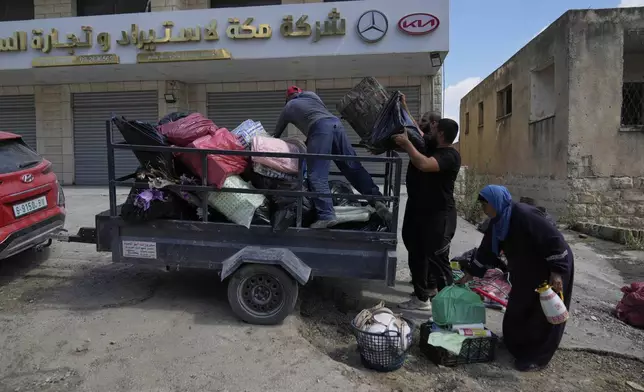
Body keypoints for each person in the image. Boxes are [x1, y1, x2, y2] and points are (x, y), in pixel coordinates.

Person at [457, 185, 574, 372]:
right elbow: (486, 252)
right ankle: (516, 345)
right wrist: (469, 275)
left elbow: (554, 240)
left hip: (550, 267)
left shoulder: (524, 216)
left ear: (495, 203)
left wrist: (557, 271)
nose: (483, 209)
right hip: (526, 269)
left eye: (485, 205)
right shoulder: (497, 223)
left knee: (543, 313)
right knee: (519, 305)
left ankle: (537, 357)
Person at [272, 86, 390, 229]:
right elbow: (319, 114)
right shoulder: (313, 96)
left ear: (287, 98)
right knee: (352, 166)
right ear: (300, 93)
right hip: (336, 125)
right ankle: (376, 199)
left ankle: (326, 216)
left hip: (320, 128)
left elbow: (276, 134)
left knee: (316, 175)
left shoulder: (289, 106)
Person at [393, 118, 461, 310]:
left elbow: (424, 164)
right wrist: (404, 108)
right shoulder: (429, 145)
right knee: (416, 253)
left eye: (433, 128)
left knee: (438, 259)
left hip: (439, 215)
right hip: (418, 211)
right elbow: (416, 130)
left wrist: (407, 145)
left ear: (440, 134)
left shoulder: (450, 156)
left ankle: (447, 308)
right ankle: (421, 298)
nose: (428, 130)